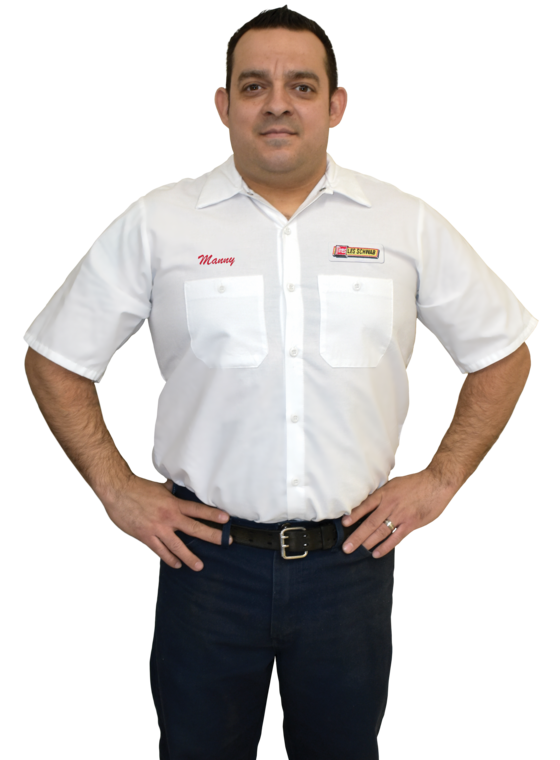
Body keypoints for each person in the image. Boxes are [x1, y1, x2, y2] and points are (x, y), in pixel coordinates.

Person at [22, 5, 537, 759]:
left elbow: (503, 351)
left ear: (336, 105)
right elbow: (55, 357)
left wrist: (441, 478)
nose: (277, 104)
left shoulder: (404, 223)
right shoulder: (160, 221)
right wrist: (116, 487)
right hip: (205, 563)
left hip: (352, 568)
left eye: (301, 85)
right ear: (224, 104)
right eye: (254, 85)